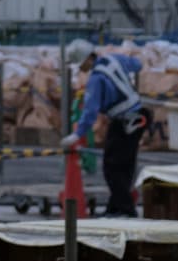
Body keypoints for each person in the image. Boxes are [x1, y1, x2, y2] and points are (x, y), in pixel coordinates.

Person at [63, 49, 146, 217]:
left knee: (112, 167)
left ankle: (125, 209)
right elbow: (137, 65)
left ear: (87, 59)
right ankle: (115, 207)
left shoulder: (96, 80)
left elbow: (90, 111)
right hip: (139, 115)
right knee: (125, 165)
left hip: (125, 121)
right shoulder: (114, 59)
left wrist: (77, 134)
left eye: (81, 66)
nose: (81, 70)